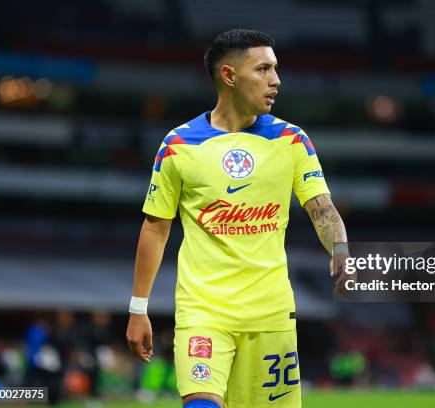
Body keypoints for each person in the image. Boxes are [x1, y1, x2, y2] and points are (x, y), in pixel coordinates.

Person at [126, 29, 349, 408]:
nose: (275, 80)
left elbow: (321, 208)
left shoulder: (291, 140)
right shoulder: (178, 145)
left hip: (270, 313)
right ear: (229, 76)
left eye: (275, 69)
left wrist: (341, 247)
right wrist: (137, 308)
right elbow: (156, 227)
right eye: (263, 69)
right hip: (203, 310)